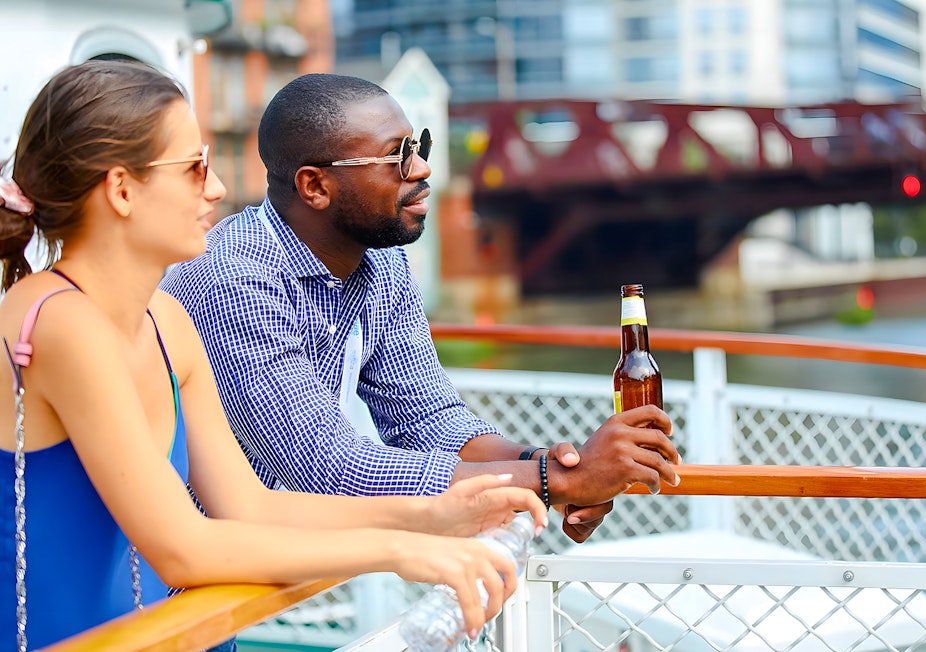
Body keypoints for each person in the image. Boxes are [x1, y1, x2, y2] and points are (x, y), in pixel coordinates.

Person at [0, 59, 548, 651]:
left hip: (171, 636)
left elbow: (249, 505)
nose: (215, 188)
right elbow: (183, 548)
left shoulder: (167, 322)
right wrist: (399, 548)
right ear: (122, 190)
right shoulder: (57, 322)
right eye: (193, 168)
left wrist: (433, 516)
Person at [160, 72, 682, 544]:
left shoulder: (379, 259)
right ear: (315, 186)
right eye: (396, 156)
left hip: (232, 562)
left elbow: (432, 422)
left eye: (419, 145)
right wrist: (561, 480)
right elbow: (328, 471)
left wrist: (551, 465)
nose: (423, 167)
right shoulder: (234, 277)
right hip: (154, 580)